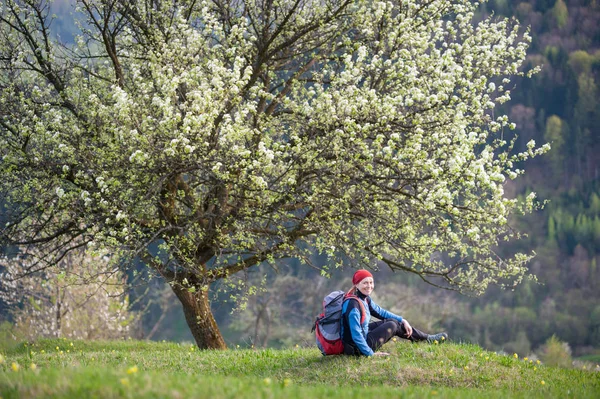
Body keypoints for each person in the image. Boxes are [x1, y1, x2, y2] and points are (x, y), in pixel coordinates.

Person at [341, 269, 448, 357]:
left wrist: (402, 320)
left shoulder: (364, 299)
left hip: (362, 337)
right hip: (355, 349)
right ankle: (425, 339)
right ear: (356, 285)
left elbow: (380, 312)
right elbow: (356, 336)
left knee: (392, 321)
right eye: (365, 283)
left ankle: (426, 338)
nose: (369, 286)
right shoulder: (353, 305)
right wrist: (370, 354)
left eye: (371, 282)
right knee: (392, 325)